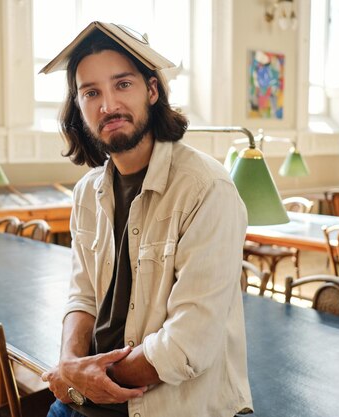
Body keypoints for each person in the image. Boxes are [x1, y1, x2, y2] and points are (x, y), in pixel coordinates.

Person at [39, 22, 252, 417]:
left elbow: (187, 344)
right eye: (91, 93)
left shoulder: (207, 189)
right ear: (79, 106)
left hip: (170, 404)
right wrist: (71, 365)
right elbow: (82, 296)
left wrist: (89, 377)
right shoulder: (87, 192)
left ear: (152, 90)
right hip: (89, 396)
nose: (108, 106)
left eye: (123, 85)